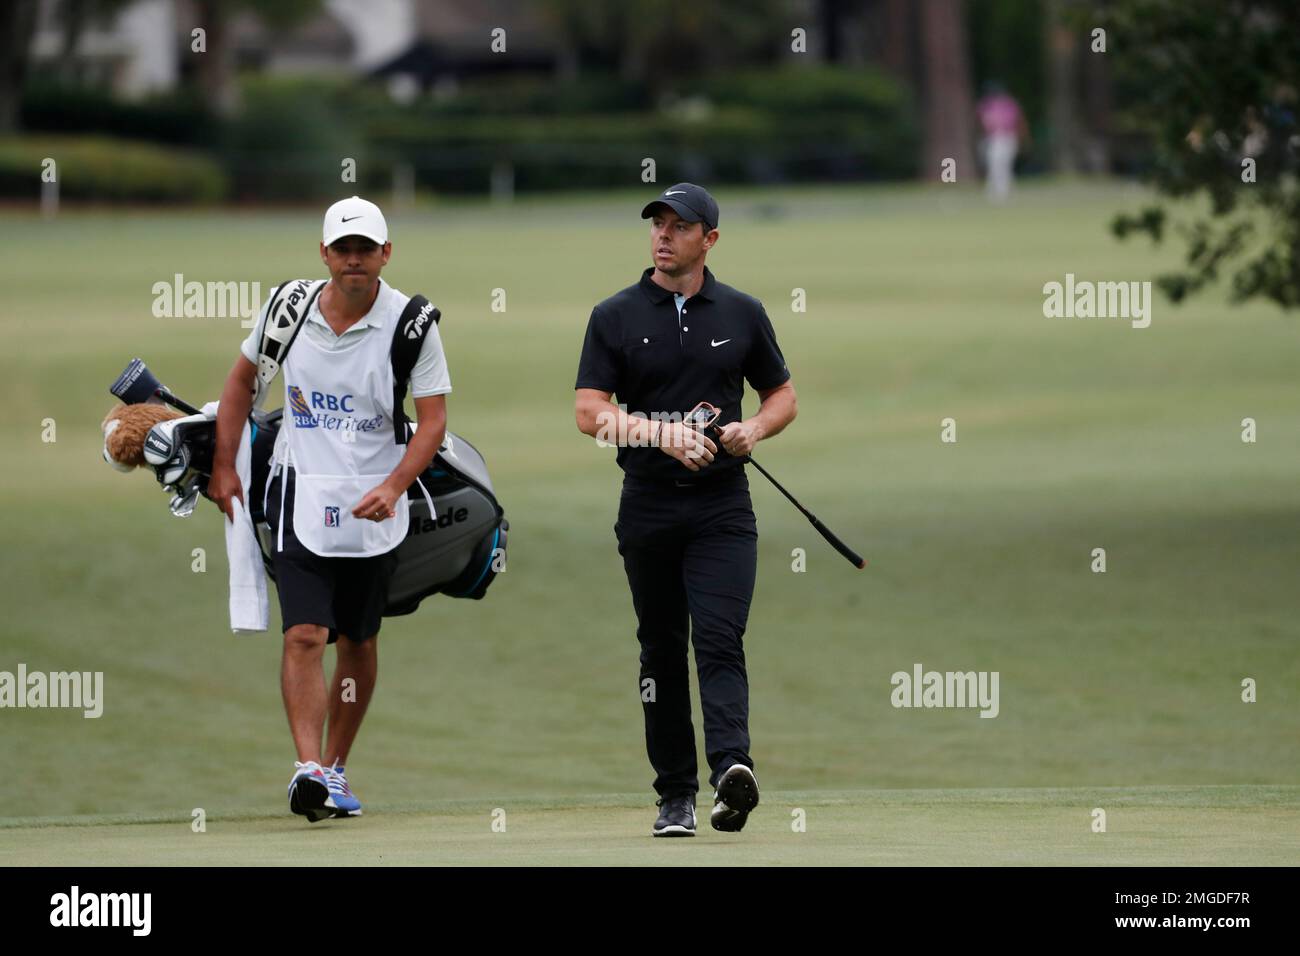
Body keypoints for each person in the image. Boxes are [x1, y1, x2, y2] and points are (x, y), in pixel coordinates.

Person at [209, 196, 451, 822]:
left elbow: (432, 422)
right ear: (324, 254)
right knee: (305, 633)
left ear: (385, 254)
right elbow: (241, 383)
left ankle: (337, 770)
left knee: (359, 642)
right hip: (300, 493)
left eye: (365, 249)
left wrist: (396, 485)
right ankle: (307, 768)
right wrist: (223, 464)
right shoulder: (286, 310)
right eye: (342, 249)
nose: (353, 260)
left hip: (375, 502)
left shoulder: (411, 324)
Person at [574, 183, 798, 837]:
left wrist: (754, 430)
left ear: (710, 239)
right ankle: (675, 795)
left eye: (679, 225)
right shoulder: (614, 315)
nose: (663, 235)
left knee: (721, 640)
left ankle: (732, 768)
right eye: (657, 224)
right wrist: (656, 433)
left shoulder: (742, 313)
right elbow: (590, 413)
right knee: (661, 651)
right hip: (646, 507)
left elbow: (782, 394)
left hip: (723, 507)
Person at [977, 82, 1029, 202]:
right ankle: (997, 191)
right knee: (997, 165)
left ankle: (1001, 192)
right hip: (996, 138)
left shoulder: (1004, 105)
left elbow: (1017, 122)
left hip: (1004, 137)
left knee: (1000, 165)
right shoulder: (990, 104)